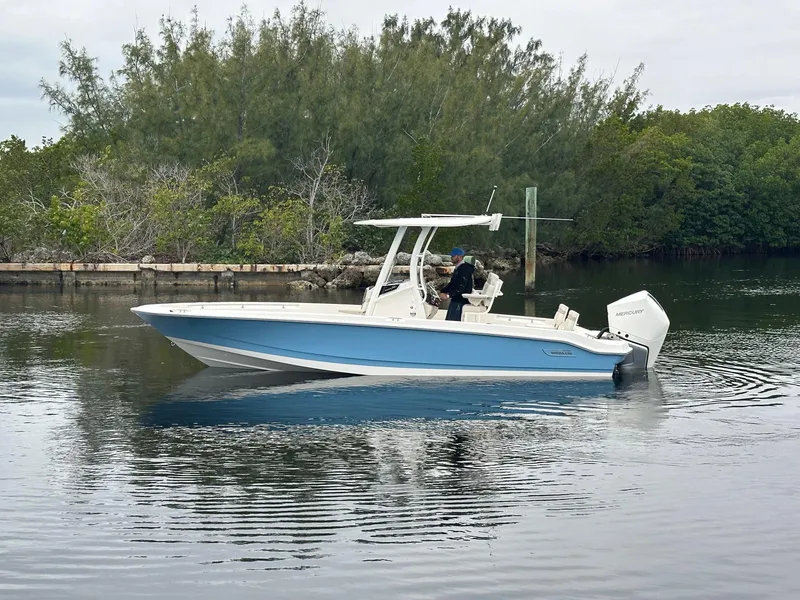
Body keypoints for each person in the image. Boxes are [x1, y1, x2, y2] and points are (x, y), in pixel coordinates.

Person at [439, 247, 475, 321]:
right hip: (456, 298)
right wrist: (442, 291)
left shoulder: (464, 269)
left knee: (452, 320)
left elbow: (461, 287)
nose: (451, 258)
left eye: (453, 256)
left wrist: (448, 295)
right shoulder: (459, 268)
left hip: (460, 300)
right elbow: (452, 283)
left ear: (459, 257)